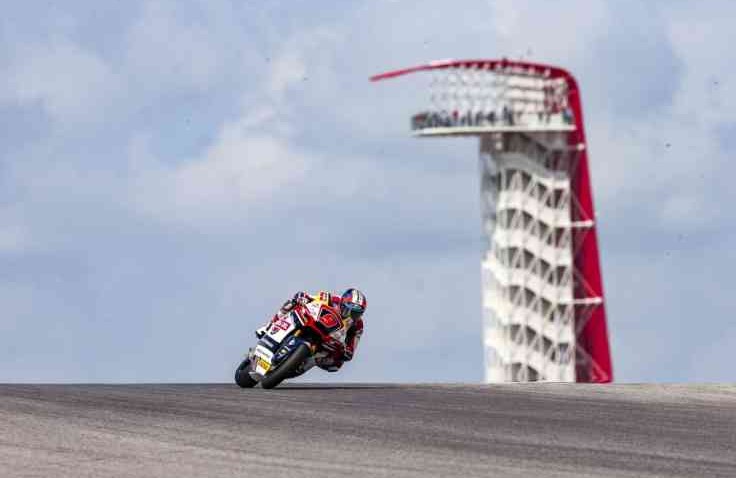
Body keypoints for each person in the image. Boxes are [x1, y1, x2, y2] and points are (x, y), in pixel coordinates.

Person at [256, 288, 366, 373]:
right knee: (292, 302)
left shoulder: (358, 325)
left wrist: (346, 350)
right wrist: (303, 297)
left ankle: (309, 362)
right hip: (312, 322)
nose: (352, 316)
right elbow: (310, 297)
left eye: (357, 314)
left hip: (329, 340)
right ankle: (269, 326)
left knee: (336, 365)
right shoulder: (331, 299)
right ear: (343, 303)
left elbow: (351, 349)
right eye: (350, 311)